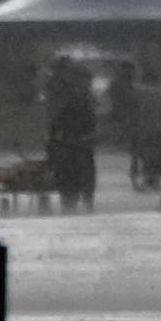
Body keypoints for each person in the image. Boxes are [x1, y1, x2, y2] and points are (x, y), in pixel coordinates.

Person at [41, 53, 98, 212]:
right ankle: (79, 200)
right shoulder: (64, 89)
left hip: (69, 139)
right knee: (78, 172)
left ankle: (76, 200)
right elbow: (56, 115)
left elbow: (54, 115)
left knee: (74, 173)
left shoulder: (59, 88)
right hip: (70, 139)